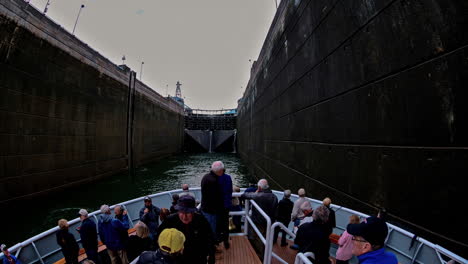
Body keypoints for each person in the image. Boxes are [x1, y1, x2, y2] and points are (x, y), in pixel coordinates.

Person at [157, 195, 215, 264]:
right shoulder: (169, 221)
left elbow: (210, 239)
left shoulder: (201, 221)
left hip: (198, 258)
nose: (184, 217)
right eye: (181, 212)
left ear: (193, 211)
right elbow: (159, 237)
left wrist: (211, 256)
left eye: (188, 212)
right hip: (177, 259)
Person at [200, 161, 224, 237]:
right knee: (211, 231)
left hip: (205, 208)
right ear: (220, 171)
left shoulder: (206, 177)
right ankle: (213, 246)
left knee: (208, 229)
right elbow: (216, 198)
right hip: (211, 211)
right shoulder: (214, 181)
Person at [217, 164, 233, 249]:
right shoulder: (228, 177)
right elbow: (230, 190)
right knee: (225, 223)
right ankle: (226, 241)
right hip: (226, 204)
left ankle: (219, 241)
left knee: (217, 223)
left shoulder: (216, 178)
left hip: (218, 205)